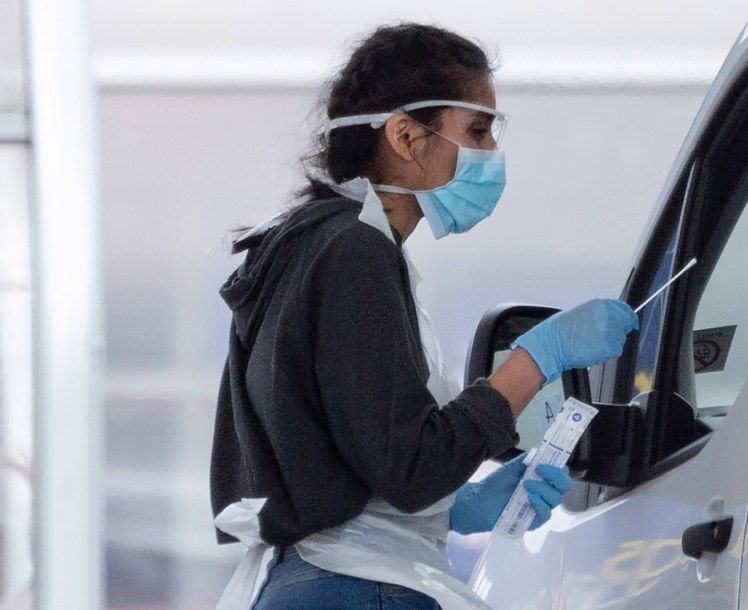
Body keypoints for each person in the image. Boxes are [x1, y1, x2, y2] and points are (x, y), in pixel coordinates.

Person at [209, 23, 639, 610]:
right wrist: (537, 359)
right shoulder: (355, 251)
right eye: (479, 130)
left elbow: (346, 450)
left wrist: (456, 506)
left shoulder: (308, 246)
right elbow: (410, 467)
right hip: (359, 585)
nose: (492, 154)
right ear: (406, 135)